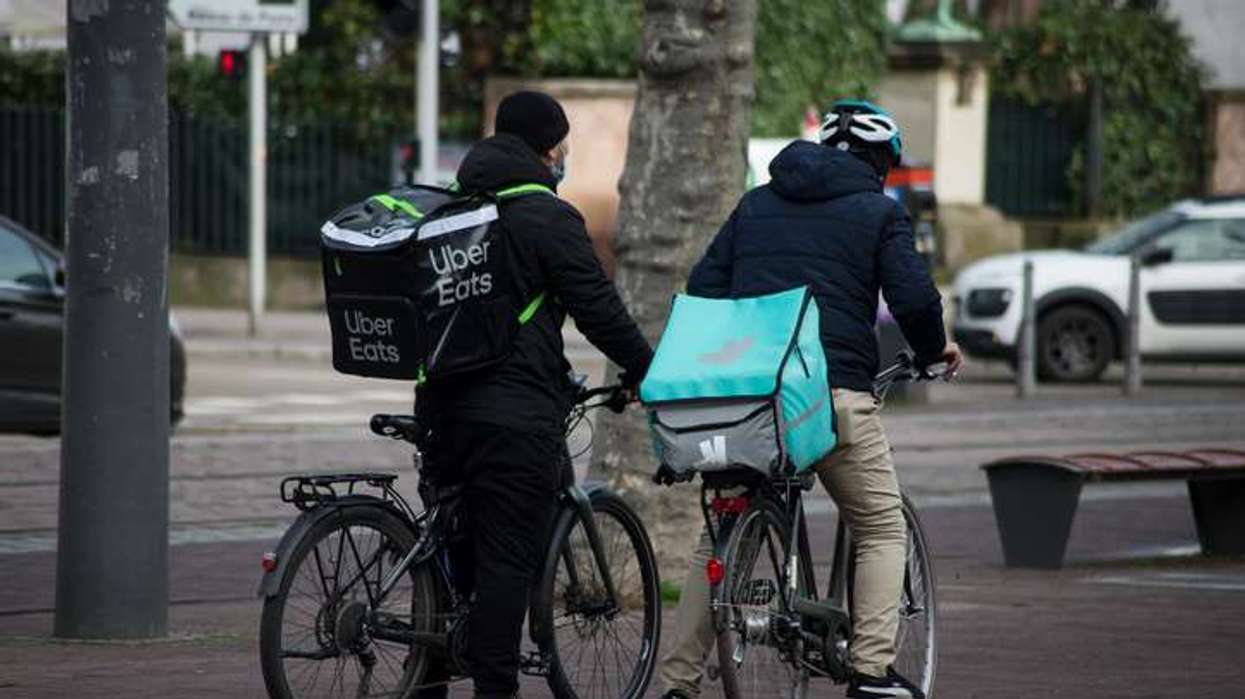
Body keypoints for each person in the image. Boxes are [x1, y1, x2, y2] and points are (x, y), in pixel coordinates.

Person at [657, 100, 963, 699]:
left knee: (713, 540)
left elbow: (704, 289)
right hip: (831, 396)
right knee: (877, 525)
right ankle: (873, 674)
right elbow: (917, 302)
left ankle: (677, 684)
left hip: (754, 405)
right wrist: (932, 351)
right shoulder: (879, 213)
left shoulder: (755, 204)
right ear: (880, 163)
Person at [416, 90, 653, 699]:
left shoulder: (454, 212)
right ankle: (497, 689)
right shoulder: (545, 216)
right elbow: (597, 307)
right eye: (562, 148)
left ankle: (429, 676)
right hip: (514, 415)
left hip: (439, 411)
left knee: (450, 547)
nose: (564, 159)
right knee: (507, 559)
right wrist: (645, 368)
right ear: (547, 150)